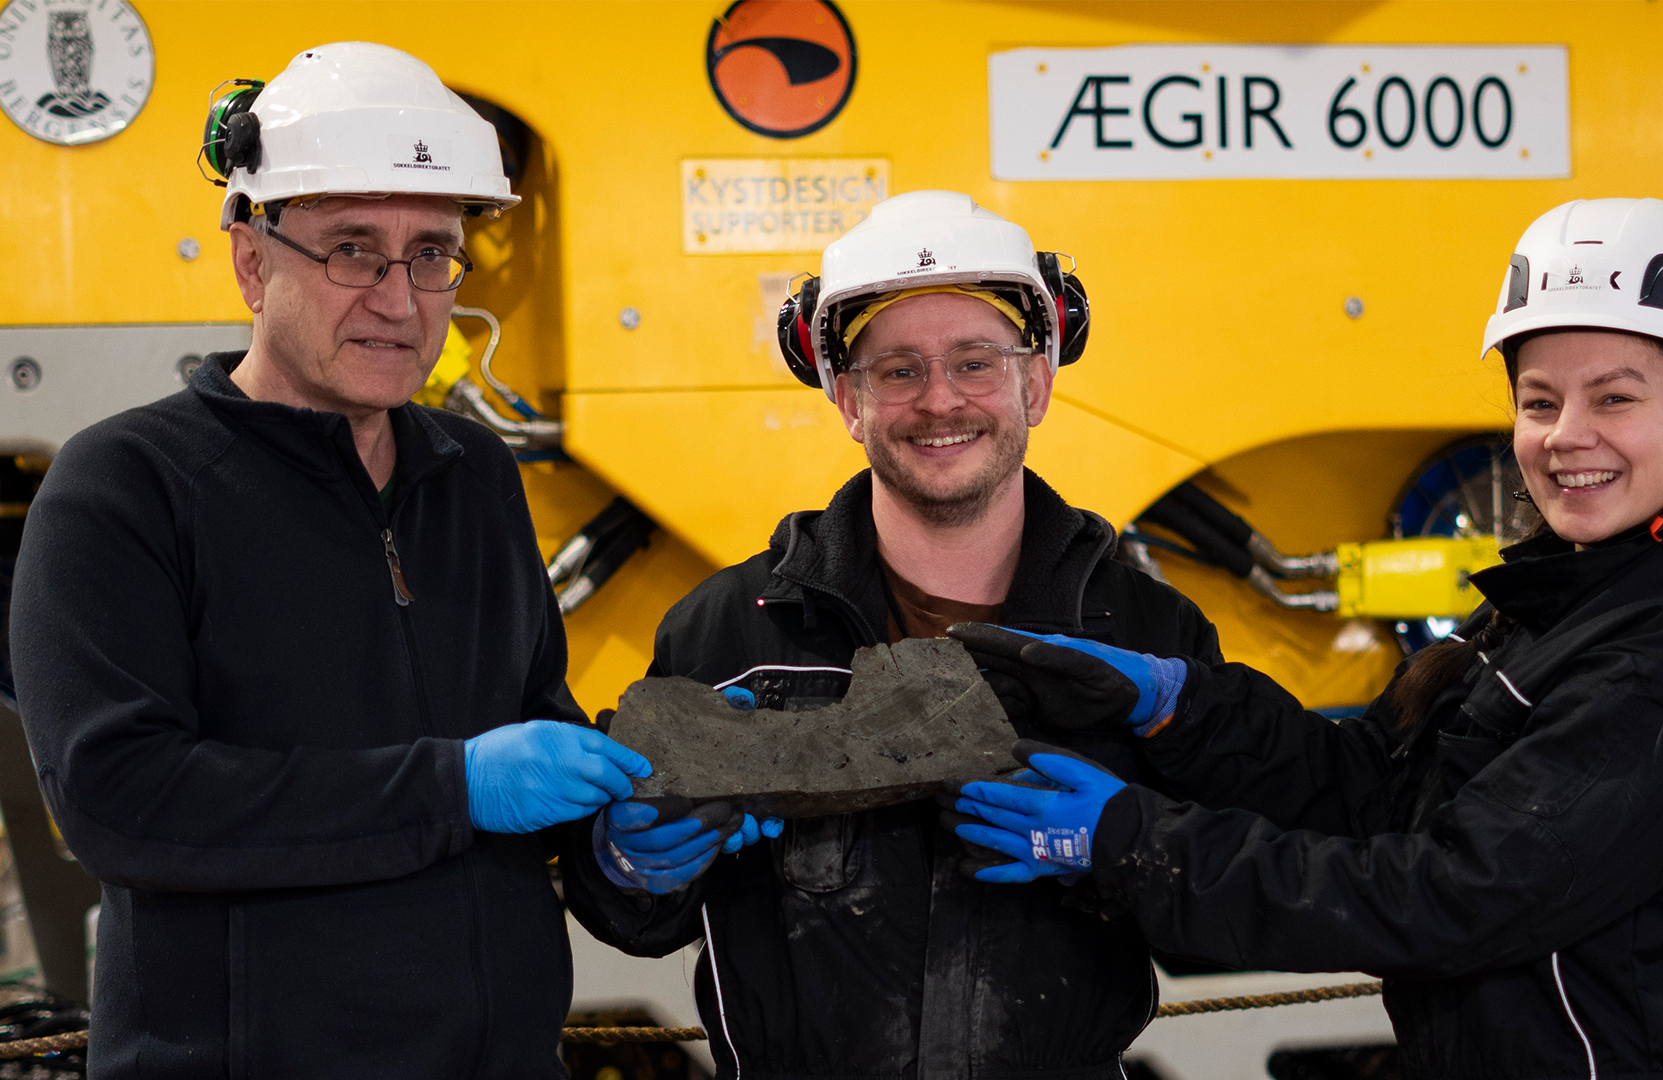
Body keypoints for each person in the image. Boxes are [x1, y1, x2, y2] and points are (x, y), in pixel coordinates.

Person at [947, 198, 1663, 1079]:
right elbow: (1383, 789)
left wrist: (1128, 842)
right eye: (1539, 401)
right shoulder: (1569, 596)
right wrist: (1183, 709)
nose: (1564, 437)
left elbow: (1441, 896)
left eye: (1615, 398)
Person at [10, 43, 654, 1078]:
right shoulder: (125, 487)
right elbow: (120, 802)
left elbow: (537, 720)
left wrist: (628, 852)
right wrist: (454, 787)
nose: (402, 302)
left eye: (433, 253)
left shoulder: (474, 476)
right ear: (252, 258)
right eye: (354, 249)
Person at [561, 189, 1224, 1079]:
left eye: (975, 362)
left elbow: (1222, 909)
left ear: (1037, 380)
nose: (939, 402)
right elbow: (638, 921)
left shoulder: (1146, 633)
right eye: (898, 370)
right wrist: (627, 861)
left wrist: (1133, 846)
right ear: (847, 398)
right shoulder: (731, 627)